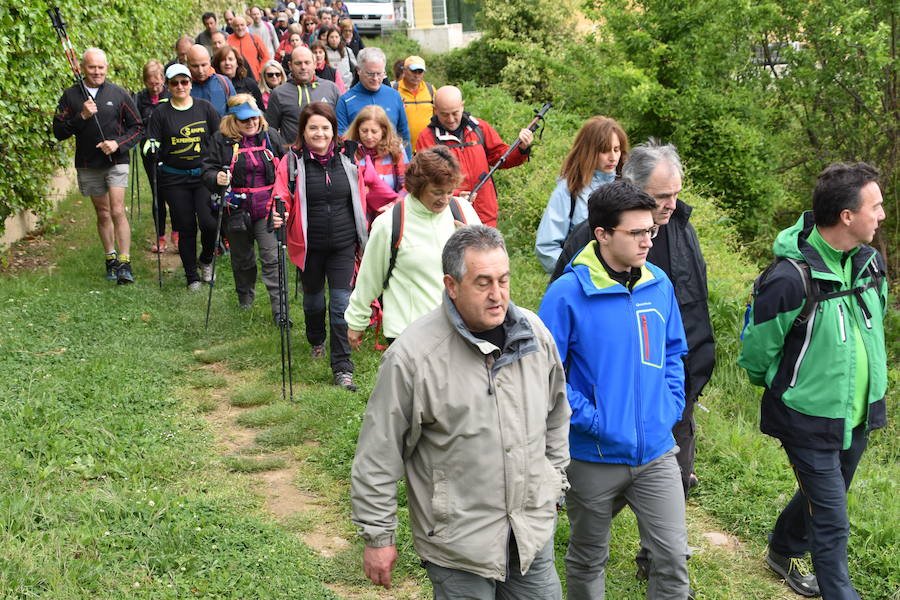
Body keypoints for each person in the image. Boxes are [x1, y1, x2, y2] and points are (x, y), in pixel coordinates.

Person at [350, 225, 570, 597]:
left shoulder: (534, 335)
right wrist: (378, 536)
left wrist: (554, 482)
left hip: (530, 532)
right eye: (482, 282)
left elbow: (557, 414)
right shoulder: (413, 357)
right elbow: (378, 452)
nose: (497, 295)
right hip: (458, 546)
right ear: (452, 286)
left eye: (503, 280)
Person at [738, 162, 888, 600]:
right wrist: (791, 388)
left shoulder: (870, 264)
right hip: (805, 417)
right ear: (847, 215)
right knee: (832, 518)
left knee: (828, 493)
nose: (881, 215)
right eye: (875, 207)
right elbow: (756, 352)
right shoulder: (789, 278)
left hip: (856, 413)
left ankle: (783, 549)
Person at [539, 181, 690, 600]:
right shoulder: (567, 294)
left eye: (650, 231)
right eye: (636, 233)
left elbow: (674, 350)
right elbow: (546, 373)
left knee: (673, 558)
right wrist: (594, 420)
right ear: (602, 234)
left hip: (656, 451)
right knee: (588, 557)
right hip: (592, 456)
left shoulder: (659, 284)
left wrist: (670, 405)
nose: (647, 241)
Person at [551, 140, 716, 503]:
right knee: (602, 504)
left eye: (675, 194)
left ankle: (655, 559)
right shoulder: (591, 237)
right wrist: (590, 415)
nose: (671, 204)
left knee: (671, 496)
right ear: (633, 189)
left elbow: (694, 307)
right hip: (611, 402)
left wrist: (682, 389)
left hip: (673, 390)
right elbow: (559, 331)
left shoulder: (683, 229)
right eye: (661, 196)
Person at [272, 102, 367, 391]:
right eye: (313, 127)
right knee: (314, 302)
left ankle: (342, 368)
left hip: (342, 243)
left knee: (340, 305)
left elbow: (367, 186)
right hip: (309, 245)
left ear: (333, 130)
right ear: (303, 130)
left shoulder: (349, 158)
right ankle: (316, 339)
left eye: (325, 127)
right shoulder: (291, 162)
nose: (320, 133)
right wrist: (278, 211)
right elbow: (280, 193)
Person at [345, 146, 479, 345]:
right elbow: (369, 277)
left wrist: (472, 242)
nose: (444, 199)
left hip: (460, 328)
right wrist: (357, 321)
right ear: (418, 187)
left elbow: (487, 263)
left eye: (449, 192)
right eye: (436, 192)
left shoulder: (463, 212)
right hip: (408, 334)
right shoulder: (389, 223)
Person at [52, 48, 142, 284]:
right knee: (102, 213)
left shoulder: (118, 93)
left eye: (101, 67)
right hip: (88, 163)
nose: (97, 71)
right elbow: (59, 132)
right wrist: (81, 116)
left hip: (116, 161)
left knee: (117, 210)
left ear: (107, 68)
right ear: (83, 68)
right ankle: (110, 258)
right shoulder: (71, 96)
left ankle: (125, 262)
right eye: (92, 67)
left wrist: (117, 144)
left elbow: (137, 127)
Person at [201, 94, 287, 320]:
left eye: (255, 118)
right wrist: (216, 177)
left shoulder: (271, 137)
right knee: (243, 260)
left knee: (272, 258)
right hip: (236, 210)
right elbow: (206, 169)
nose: (251, 123)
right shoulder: (220, 140)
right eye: (244, 120)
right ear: (232, 121)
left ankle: (280, 311)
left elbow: (288, 164)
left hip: (267, 209)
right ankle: (245, 300)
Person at [144, 64, 221, 291]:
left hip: (203, 176)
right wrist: (152, 146)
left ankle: (206, 260)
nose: (180, 86)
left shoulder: (204, 108)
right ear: (168, 86)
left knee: (209, 223)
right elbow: (151, 139)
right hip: (174, 178)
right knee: (186, 226)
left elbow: (218, 138)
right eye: (174, 82)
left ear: (190, 83)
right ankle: (191, 276)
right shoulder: (160, 113)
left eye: (184, 82)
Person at [416, 85, 532, 227]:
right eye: (445, 114)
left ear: (462, 106)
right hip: (450, 215)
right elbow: (426, 180)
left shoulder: (479, 128)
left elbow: (500, 157)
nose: (451, 119)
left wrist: (521, 148)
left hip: (485, 212)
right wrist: (456, 196)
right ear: (435, 110)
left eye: (455, 113)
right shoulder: (426, 138)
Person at [535, 116, 628, 274]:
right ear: (589, 151)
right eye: (604, 150)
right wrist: (577, 274)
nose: (613, 157)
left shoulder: (628, 186)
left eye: (616, 149)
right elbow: (547, 247)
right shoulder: (570, 189)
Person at [335, 47, 410, 152]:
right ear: (358, 71)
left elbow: (404, 134)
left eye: (379, 74)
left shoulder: (394, 95)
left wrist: (406, 164)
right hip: (359, 163)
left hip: (391, 162)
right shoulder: (345, 101)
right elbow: (340, 139)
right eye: (370, 74)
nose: (375, 79)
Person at [133, 60, 173, 254]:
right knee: (158, 194)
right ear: (145, 81)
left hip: (172, 150)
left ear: (163, 80)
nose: (155, 88)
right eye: (151, 84)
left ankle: (177, 233)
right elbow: (134, 123)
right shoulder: (139, 98)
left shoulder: (171, 94)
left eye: (158, 83)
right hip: (150, 152)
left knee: (174, 193)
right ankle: (161, 236)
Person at [344, 105, 409, 223]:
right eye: (364, 131)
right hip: (358, 214)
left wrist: (394, 206)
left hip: (390, 212)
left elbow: (407, 185)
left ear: (383, 131)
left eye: (374, 131)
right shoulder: (349, 151)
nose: (369, 136)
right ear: (357, 129)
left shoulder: (396, 151)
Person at [266, 46, 340, 147]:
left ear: (314, 64)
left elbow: (339, 125)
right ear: (290, 66)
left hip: (326, 155)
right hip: (293, 156)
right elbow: (271, 130)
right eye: (298, 63)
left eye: (307, 62)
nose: (303, 67)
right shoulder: (278, 93)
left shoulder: (331, 88)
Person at [391, 55, 434, 152]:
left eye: (420, 72)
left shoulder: (430, 90)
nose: (417, 75)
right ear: (404, 70)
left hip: (427, 148)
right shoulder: (394, 90)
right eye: (413, 71)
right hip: (401, 148)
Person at [187, 44, 235, 116]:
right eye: (195, 66)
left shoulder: (223, 82)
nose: (200, 70)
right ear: (188, 64)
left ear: (210, 62)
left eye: (204, 65)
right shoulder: (183, 87)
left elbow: (236, 111)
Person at [227, 16, 270, 81]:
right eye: (237, 25)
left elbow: (266, 57)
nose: (240, 28)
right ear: (232, 27)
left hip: (255, 77)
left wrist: (260, 71)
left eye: (242, 25)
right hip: (235, 78)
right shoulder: (228, 40)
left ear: (246, 25)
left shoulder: (255, 38)